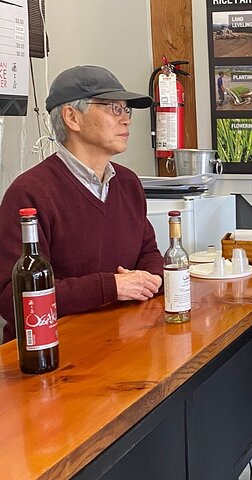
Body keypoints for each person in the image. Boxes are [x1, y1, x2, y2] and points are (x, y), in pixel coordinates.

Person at [0, 65, 163, 343]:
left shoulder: (128, 182)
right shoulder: (29, 193)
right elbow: (12, 297)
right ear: (72, 117)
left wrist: (150, 279)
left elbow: (148, 252)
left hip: (120, 338)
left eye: (127, 110)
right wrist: (111, 287)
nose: (126, 120)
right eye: (113, 108)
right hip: (50, 351)